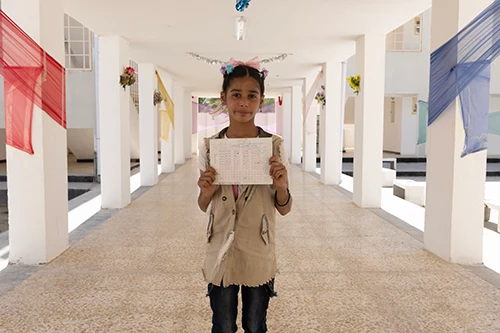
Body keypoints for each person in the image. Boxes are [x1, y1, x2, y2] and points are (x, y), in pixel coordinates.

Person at [197, 59, 293, 333]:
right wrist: (206, 192)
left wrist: (282, 185)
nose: (243, 103)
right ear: (223, 98)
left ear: (261, 101)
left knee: (255, 324)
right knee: (223, 324)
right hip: (220, 248)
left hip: (258, 247)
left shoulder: (273, 146)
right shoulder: (211, 146)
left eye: (252, 96)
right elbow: (203, 204)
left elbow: (284, 208)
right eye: (236, 95)